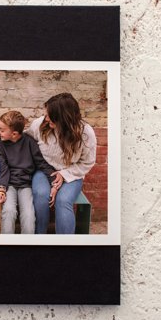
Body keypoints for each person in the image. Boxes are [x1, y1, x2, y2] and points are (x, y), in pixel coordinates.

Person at [26, 93, 97, 234]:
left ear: (63, 118)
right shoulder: (39, 125)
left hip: (71, 173)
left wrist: (64, 175)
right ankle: (39, 237)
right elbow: (26, 142)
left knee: (63, 201)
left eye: (49, 115)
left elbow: (87, 163)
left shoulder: (85, 134)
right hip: (44, 170)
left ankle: (65, 245)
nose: (45, 118)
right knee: (41, 195)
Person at [0, 111, 58, 234]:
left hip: (26, 185)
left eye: (2, 130)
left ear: (14, 134)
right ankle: (6, 245)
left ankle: (27, 245)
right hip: (9, 184)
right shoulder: (0, 145)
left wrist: (54, 181)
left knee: (28, 214)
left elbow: (41, 163)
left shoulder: (30, 142)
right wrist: (1, 188)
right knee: (8, 211)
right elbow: (3, 168)